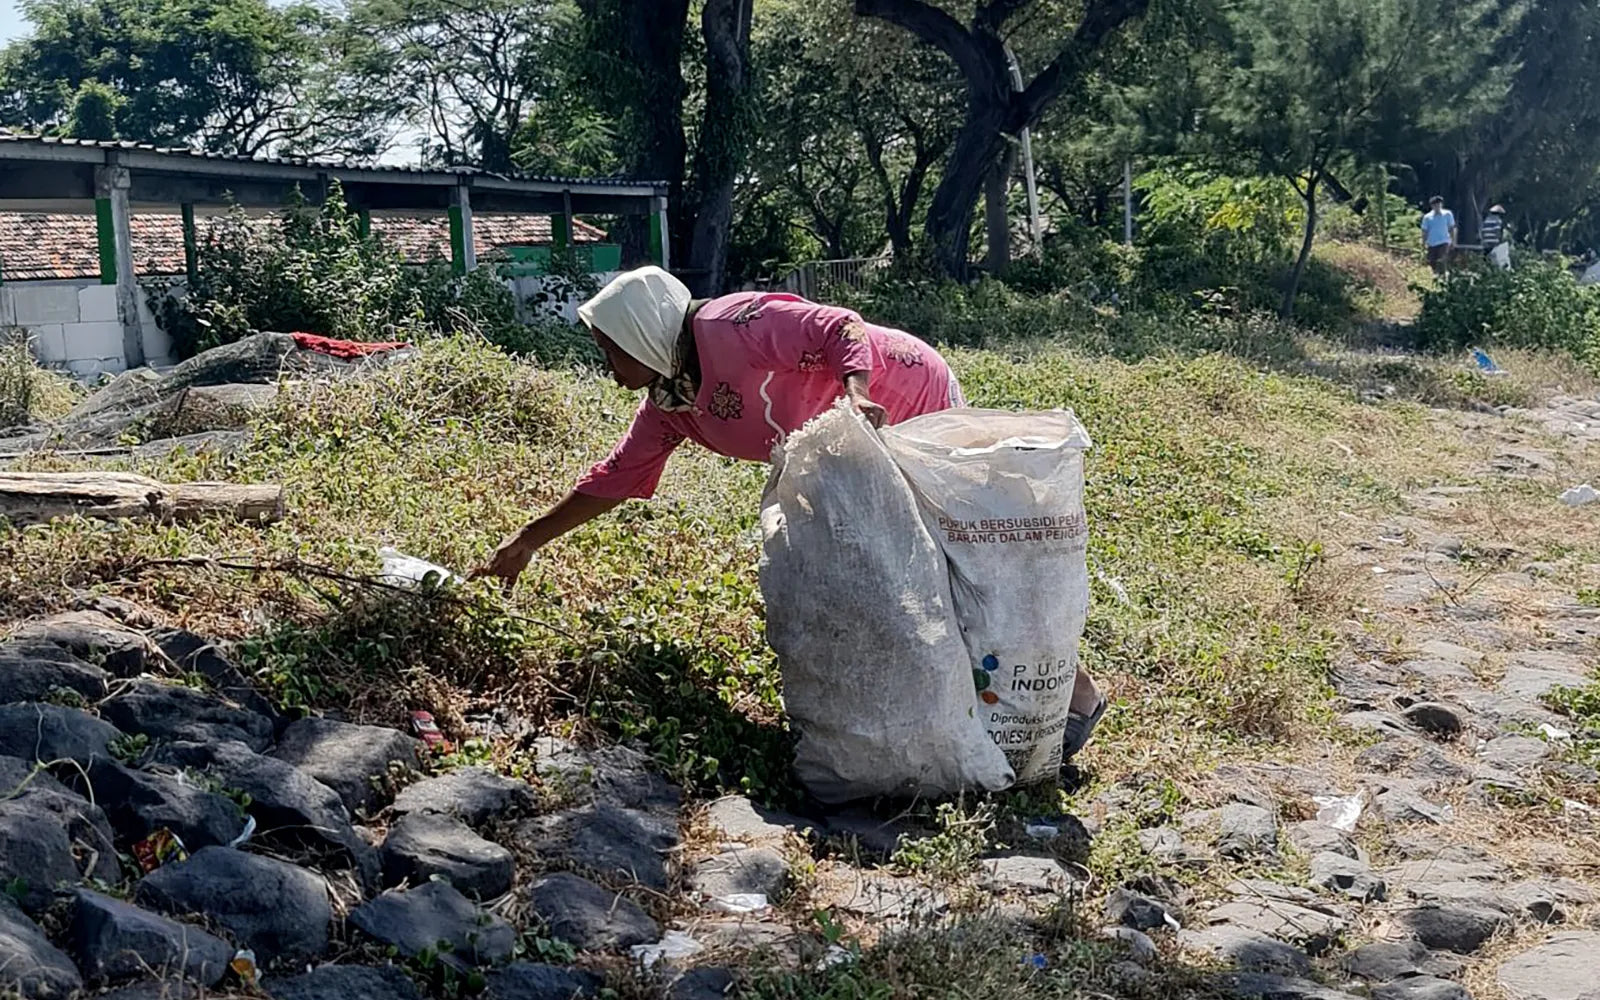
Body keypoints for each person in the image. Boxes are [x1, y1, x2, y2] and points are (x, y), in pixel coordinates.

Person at [471, 266, 1107, 760]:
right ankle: (943, 715)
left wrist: (858, 392)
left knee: (944, 561)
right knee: (883, 573)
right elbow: (617, 477)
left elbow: (839, 326)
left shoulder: (732, 326)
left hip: (902, 396)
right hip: (842, 445)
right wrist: (529, 540)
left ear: (642, 331)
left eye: (610, 346)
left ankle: (1068, 697)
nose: (606, 362)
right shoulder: (671, 401)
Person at [1421, 196, 1456, 275]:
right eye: (1436, 205)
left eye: (1439, 204)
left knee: (1441, 260)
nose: (1438, 206)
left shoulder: (1447, 214)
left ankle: (1443, 277)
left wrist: (1453, 241)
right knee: (1432, 262)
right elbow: (1425, 231)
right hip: (1432, 243)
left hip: (1444, 241)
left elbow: (1451, 228)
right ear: (1432, 206)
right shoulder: (1427, 217)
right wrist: (1423, 243)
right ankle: (1435, 277)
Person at [1482, 204, 1510, 269]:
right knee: (1496, 261)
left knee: (1486, 259)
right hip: (1493, 242)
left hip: (1485, 243)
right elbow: (1497, 231)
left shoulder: (1486, 220)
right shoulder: (1497, 220)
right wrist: (1499, 241)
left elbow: (1483, 231)